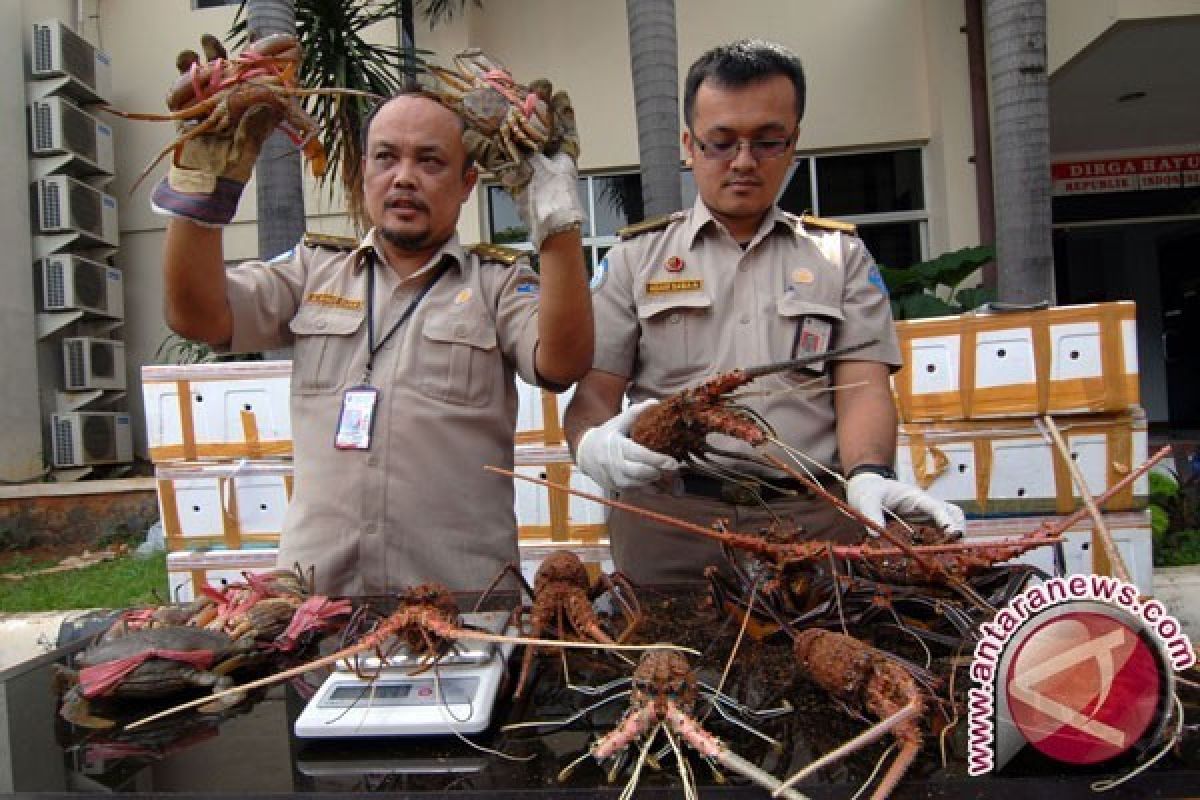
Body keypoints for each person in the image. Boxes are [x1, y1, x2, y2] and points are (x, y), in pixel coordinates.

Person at [154, 42, 593, 597]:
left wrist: (555, 220)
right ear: (364, 172)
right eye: (387, 157)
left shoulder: (496, 284)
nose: (404, 177)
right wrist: (199, 187)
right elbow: (195, 315)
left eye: (430, 161)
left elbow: (564, 361)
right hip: (316, 607)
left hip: (463, 608)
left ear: (466, 183)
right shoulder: (313, 272)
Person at [563, 39, 964, 584]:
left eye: (768, 141)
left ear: (794, 142)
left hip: (813, 519)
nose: (744, 162)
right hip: (671, 523)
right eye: (721, 142)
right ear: (689, 143)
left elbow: (864, 387)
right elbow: (593, 394)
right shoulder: (636, 259)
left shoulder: (840, 257)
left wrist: (870, 474)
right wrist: (591, 444)